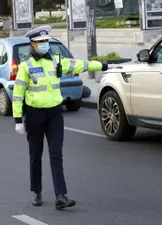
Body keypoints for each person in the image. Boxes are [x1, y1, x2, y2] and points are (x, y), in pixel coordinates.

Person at [12, 25, 120, 210]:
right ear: (33, 44)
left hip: (55, 113)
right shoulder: (25, 66)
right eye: (40, 42)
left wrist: (104, 65)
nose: (44, 45)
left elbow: (81, 64)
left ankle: (60, 196)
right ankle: (37, 191)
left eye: (46, 41)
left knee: (56, 154)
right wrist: (18, 120)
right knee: (35, 155)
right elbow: (17, 93)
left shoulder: (56, 61)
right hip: (35, 114)